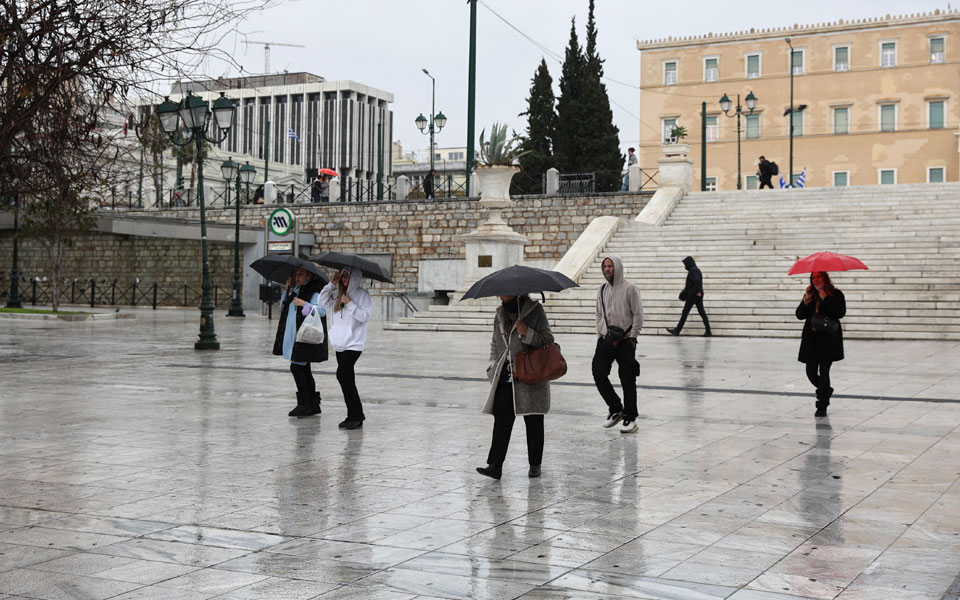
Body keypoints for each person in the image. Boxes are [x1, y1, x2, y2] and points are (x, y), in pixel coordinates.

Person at [476, 294, 554, 480]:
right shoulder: (500, 313)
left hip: (529, 373)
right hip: (505, 374)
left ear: (516, 293)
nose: (500, 297)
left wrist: (527, 332)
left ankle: (535, 464)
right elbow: (495, 342)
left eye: (504, 293)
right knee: (502, 419)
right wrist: (492, 365)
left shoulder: (535, 311)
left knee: (533, 419)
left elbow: (548, 339)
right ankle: (495, 465)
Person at [593, 255, 644, 434]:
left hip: (625, 340)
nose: (607, 269)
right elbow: (599, 314)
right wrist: (600, 333)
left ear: (618, 268)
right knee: (598, 372)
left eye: (610, 266)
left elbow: (638, 314)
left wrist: (633, 337)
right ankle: (616, 408)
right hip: (606, 339)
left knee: (627, 377)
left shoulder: (631, 289)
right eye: (605, 266)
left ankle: (630, 417)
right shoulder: (601, 290)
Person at [318, 266, 371, 429]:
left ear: (355, 278)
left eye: (347, 276)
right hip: (339, 343)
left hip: (354, 344)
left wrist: (349, 304)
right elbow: (320, 302)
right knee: (348, 379)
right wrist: (331, 284)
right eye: (343, 276)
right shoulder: (336, 294)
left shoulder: (362, 295)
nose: (344, 280)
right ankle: (354, 415)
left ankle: (356, 414)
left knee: (342, 375)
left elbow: (364, 317)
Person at [273, 267, 328, 417]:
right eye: (296, 274)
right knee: (304, 369)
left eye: (301, 274)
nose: (297, 277)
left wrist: (304, 304)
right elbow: (283, 306)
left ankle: (304, 404)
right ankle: (312, 404)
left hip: (304, 337)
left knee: (297, 368)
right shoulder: (296, 291)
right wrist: (288, 290)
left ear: (309, 276)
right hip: (294, 336)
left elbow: (321, 310)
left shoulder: (313, 292)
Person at [796, 271, 846, 417]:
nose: (816, 279)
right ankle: (826, 390)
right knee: (811, 372)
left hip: (827, 340)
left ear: (825, 278)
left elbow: (840, 313)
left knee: (824, 372)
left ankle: (822, 405)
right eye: (813, 277)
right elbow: (799, 315)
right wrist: (806, 300)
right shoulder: (810, 294)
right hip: (811, 340)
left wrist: (826, 300)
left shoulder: (836, 294)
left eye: (819, 276)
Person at [666, 256, 712, 337]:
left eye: (685, 264)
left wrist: (697, 291)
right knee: (702, 313)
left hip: (693, 295)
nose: (685, 266)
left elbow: (696, 280)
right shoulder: (695, 269)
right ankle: (708, 331)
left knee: (685, 313)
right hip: (696, 294)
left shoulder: (693, 270)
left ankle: (677, 330)